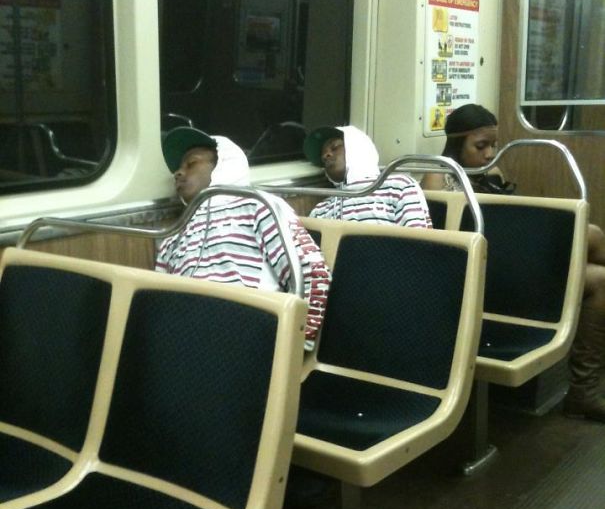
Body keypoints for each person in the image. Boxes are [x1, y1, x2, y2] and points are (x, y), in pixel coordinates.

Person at [422, 103, 605, 423]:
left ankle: (582, 392)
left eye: (494, 145)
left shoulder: (492, 174)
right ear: (456, 144)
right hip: (478, 272)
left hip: (505, 261)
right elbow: (439, 238)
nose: (490, 154)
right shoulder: (438, 177)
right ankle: (584, 392)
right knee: (590, 234)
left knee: (600, 278)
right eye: (481, 146)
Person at [156, 126, 331, 351]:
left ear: (222, 165)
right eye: (178, 168)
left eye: (191, 164)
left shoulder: (258, 206)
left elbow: (313, 273)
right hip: (186, 339)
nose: (178, 173)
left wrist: (297, 345)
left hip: (245, 334)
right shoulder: (174, 234)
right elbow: (160, 301)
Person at [303, 125, 433, 227]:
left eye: (335, 147)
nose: (326, 155)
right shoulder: (321, 210)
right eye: (323, 156)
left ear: (357, 147)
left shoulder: (399, 187)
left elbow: (418, 243)